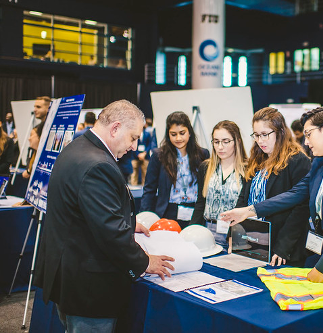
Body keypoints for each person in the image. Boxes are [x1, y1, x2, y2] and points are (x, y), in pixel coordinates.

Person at [34, 100, 175, 332]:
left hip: (69, 274)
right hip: (88, 287)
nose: (134, 146)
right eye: (133, 137)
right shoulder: (98, 165)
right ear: (115, 128)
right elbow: (109, 231)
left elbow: (85, 212)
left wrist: (129, 223)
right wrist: (145, 261)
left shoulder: (77, 148)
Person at [221, 106, 323, 296]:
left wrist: (322, 266)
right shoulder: (320, 162)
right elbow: (295, 194)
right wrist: (249, 211)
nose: (306, 141)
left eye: (309, 134)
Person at [230, 107, 312, 267]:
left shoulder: (297, 160)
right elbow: (243, 199)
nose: (260, 141)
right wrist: (234, 235)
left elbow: (301, 209)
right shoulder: (257, 157)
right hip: (252, 241)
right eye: (256, 135)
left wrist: (283, 247)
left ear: (280, 132)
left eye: (265, 135)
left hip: (282, 247)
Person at [140, 111, 209, 229]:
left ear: (189, 132)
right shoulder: (158, 155)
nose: (178, 138)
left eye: (182, 133)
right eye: (173, 134)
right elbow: (149, 190)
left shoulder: (202, 154)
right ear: (168, 134)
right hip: (168, 213)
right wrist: (144, 218)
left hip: (195, 212)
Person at [190, 120, 248, 245]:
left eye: (226, 142)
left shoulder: (247, 170)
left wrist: (234, 234)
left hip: (234, 233)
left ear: (237, 141)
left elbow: (245, 208)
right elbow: (201, 202)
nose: (220, 147)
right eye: (216, 142)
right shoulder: (205, 167)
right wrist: (192, 230)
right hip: (207, 230)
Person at [131, 118, 157, 186]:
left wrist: (144, 153)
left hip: (145, 156)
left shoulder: (147, 134)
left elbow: (149, 144)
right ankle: (133, 186)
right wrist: (138, 154)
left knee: (145, 172)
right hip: (135, 156)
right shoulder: (134, 134)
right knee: (134, 173)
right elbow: (133, 144)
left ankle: (144, 186)